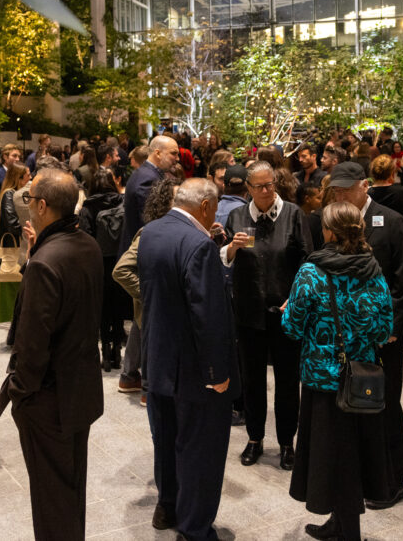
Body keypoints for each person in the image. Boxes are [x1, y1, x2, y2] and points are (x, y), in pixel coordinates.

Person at [0, 169, 104, 541]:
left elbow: (32, 343)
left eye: (29, 201)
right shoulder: (86, 243)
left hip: (49, 399)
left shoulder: (46, 261)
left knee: (51, 498)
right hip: (81, 390)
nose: (27, 208)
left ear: (42, 206)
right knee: (69, 487)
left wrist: (20, 392)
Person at [282, 200, 393, 541]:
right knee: (354, 455)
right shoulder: (372, 270)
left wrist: (288, 311)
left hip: (323, 383)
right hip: (361, 381)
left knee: (332, 458)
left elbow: (292, 327)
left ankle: (347, 531)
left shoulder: (312, 272)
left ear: (328, 231)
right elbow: (384, 328)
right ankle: (342, 523)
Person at [138, 178, 238, 541]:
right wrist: (217, 372)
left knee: (167, 441)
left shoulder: (151, 232)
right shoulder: (199, 244)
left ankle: (167, 507)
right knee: (200, 450)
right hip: (195, 369)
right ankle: (195, 529)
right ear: (208, 207)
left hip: (159, 358)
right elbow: (207, 314)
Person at [326, 162, 403, 509]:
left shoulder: (391, 221)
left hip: (381, 337)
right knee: (354, 405)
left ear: (365, 186)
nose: (340, 194)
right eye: (336, 189)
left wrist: (389, 328)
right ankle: (364, 475)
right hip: (345, 336)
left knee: (386, 405)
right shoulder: (334, 221)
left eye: (346, 188)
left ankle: (393, 480)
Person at [222, 161, 306, 470]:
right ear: (249, 189)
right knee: (252, 379)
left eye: (270, 184)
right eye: (259, 186)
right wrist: (231, 247)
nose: (266, 190)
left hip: (285, 312)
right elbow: (226, 259)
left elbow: (307, 262)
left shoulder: (293, 214)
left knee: (287, 381)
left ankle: (287, 442)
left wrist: (295, 298)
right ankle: (254, 438)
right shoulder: (237, 216)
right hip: (249, 313)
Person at [117, 135, 180, 393]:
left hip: (145, 251)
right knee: (147, 316)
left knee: (143, 316)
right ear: (157, 153)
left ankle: (130, 374)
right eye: (173, 154)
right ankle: (146, 385)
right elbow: (153, 220)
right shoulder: (147, 179)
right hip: (146, 253)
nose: (177, 159)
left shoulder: (145, 174)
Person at [78, 167, 128, 371]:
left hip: (97, 263)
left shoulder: (88, 207)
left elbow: (85, 237)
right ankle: (118, 348)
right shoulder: (122, 202)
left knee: (102, 308)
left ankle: (105, 351)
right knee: (117, 308)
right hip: (119, 261)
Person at [368, 154, 403, 225]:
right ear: (392, 172)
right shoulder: (400, 192)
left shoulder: (367, 193)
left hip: (374, 233)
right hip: (395, 232)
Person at [0, 161, 28, 248]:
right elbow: (12, 224)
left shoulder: (18, 193)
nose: (31, 177)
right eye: (28, 175)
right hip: (12, 247)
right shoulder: (9, 194)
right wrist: (29, 229)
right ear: (19, 179)